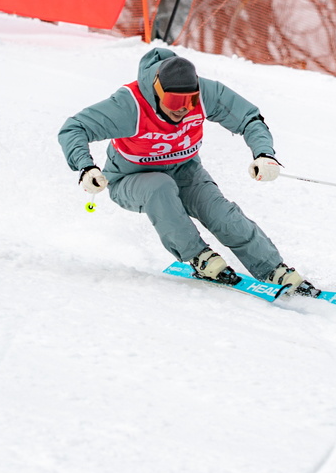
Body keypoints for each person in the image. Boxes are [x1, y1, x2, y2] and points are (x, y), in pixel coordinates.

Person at [58, 48, 316, 294]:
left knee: (221, 214)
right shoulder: (130, 105)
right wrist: (86, 167)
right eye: (174, 100)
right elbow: (74, 128)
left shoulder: (206, 93)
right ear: (157, 91)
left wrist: (264, 153)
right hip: (130, 179)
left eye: (189, 100)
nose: (182, 108)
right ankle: (198, 256)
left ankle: (272, 269)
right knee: (160, 186)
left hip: (185, 171)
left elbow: (249, 118)